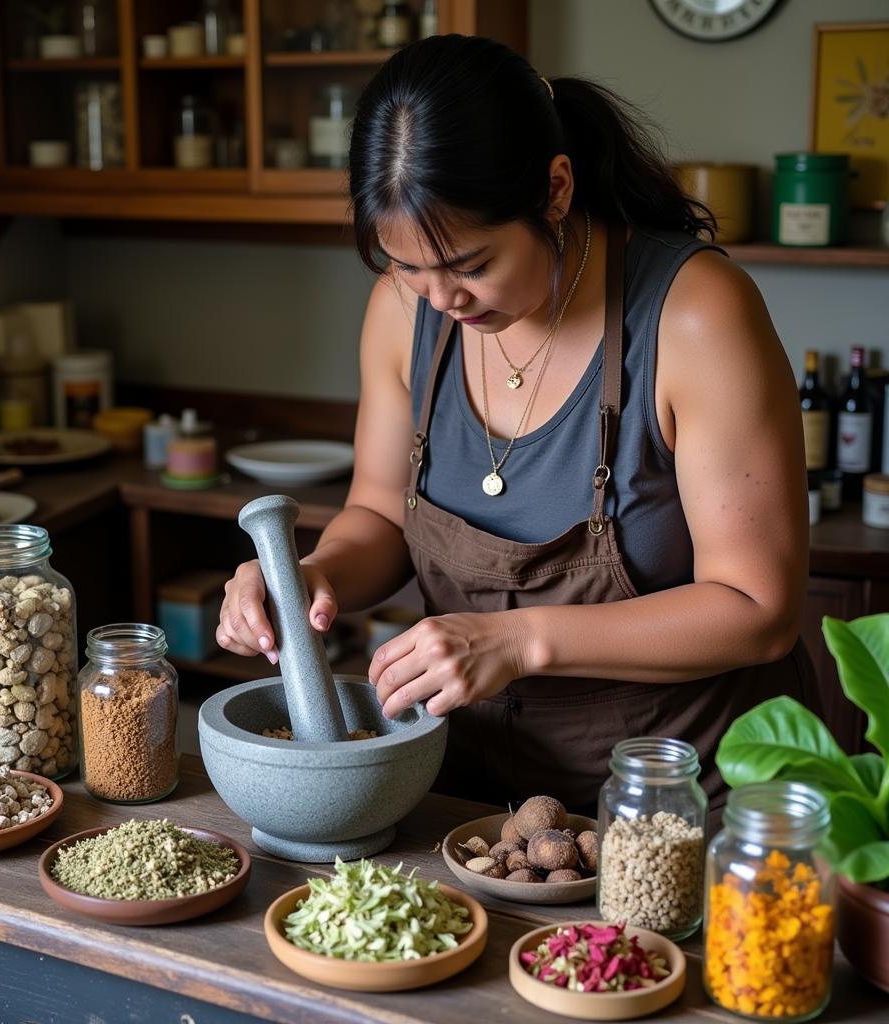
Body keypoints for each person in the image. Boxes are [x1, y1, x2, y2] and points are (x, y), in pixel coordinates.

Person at [217, 34, 819, 821]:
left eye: (470, 264)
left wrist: (518, 641)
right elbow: (378, 515)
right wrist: (314, 578)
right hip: (473, 805)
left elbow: (758, 607)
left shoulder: (696, 315)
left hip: (675, 800)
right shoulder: (406, 315)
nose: (441, 300)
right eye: (404, 266)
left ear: (556, 190)